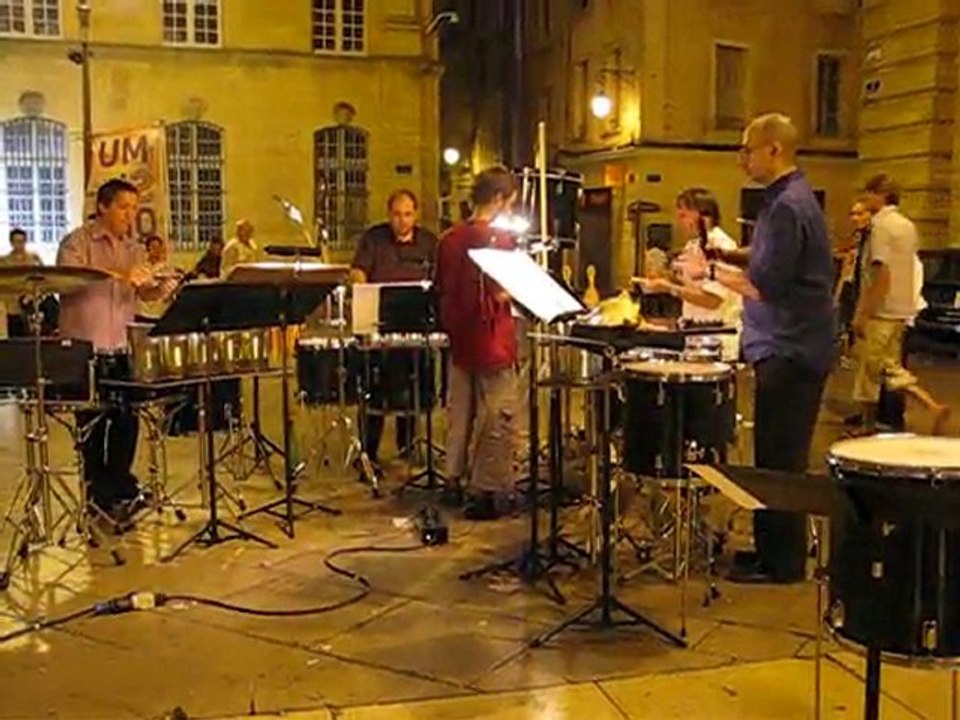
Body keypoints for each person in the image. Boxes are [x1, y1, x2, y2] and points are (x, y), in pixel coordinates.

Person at [677, 113, 836, 584]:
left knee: (781, 459)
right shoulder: (784, 202)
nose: (741, 158)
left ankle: (783, 564)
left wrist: (711, 275)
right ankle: (769, 550)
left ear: (773, 149)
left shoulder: (788, 206)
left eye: (747, 149)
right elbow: (765, 257)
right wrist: (727, 255)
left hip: (792, 348)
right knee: (772, 452)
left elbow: (765, 284)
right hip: (787, 346)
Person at [57, 178, 177, 521]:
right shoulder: (77, 242)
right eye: (124, 207)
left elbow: (144, 293)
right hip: (85, 348)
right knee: (92, 424)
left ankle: (119, 486)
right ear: (103, 207)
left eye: (134, 207)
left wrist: (161, 288)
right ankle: (96, 493)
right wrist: (123, 275)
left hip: (121, 346)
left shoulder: (133, 248)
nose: (130, 214)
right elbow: (72, 279)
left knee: (127, 419)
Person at [435, 166, 520, 520]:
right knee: (498, 414)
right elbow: (502, 290)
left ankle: (452, 478)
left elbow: (442, 287)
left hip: (460, 337)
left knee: (460, 413)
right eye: (510, 203)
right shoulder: (498, 240)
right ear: (498, 200)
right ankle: (485, 490)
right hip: (492, 338)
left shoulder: (449, 238)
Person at [851, 174, 949, 435]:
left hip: (881, 310)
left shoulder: (881, 227)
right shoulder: (907, 226)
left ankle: (868, 424)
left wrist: (864, 311)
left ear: (881, 195)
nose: (866, 197)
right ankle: (930, 405)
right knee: (889, 366)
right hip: (901, 309)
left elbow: (881, 271)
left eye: (869, 192)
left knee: (870, 370)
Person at [350, 189, 439, 467]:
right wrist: (362, 290)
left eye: (408, 214)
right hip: (380, 325)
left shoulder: (428, 242)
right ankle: (369, 450)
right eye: (397, 214)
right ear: (389, 214)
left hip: (416, 327)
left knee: (414, 388)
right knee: (374, 390)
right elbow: (358, 271)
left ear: (416, 214)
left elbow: (439, 275)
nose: (402, 221)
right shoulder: (373, 239)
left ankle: (408, 445)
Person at [638, 188, 743, 361]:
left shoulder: (720, 246)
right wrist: (663, 277)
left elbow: (712, 300)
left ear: (702, 216)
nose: (680, 222)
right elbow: (691, 287)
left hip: (715, 341)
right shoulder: (693, 246)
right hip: (693, 337)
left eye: (684, 216)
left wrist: (668, 287)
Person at [1, 228, 43, 337]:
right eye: (16, 241)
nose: (19, 245)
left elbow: (42, 281)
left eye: (22, 241)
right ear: (11, 242)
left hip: (30, 308)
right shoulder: (4, 262)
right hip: (11, 308)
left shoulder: (33, 260)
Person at [135, 235, 177, 322]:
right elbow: (142, 294)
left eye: (158, 247)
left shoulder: (167, 268)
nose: (156, 251)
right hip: (145, 314)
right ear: (148, 250)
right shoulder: (142, 268)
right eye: (153, 247)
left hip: (162, 314)